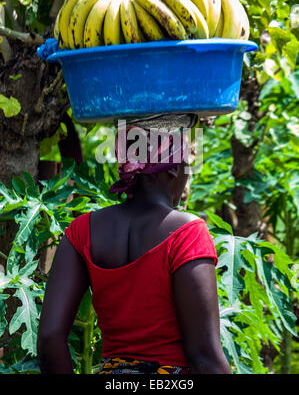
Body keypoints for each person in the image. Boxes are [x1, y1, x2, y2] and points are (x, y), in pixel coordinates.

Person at [37, 124, 231, 375]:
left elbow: (50, 339)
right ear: (173, 168)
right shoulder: (186, 233)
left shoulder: (82, 230)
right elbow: (205, 357)